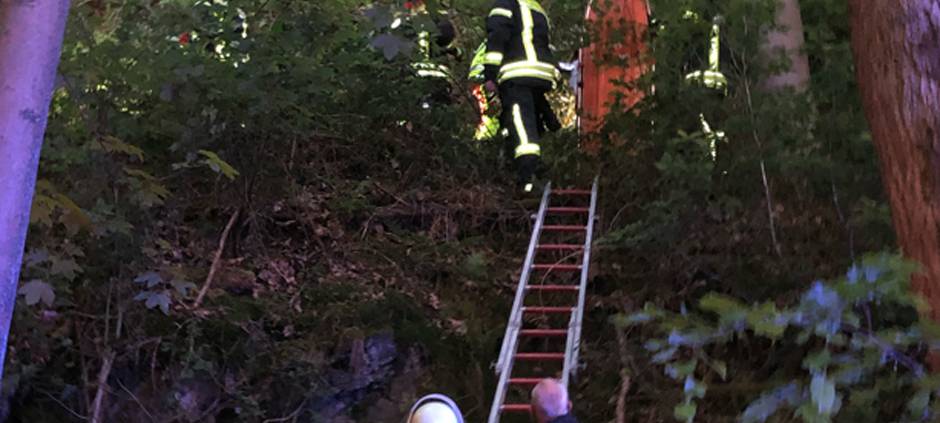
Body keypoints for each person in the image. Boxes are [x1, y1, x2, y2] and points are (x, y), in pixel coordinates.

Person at [483, 0, 561, 191]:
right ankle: (540, 165)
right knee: (533, 119)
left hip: (517, 72)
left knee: (520, 122)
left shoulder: (505, 4)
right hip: (540, 73)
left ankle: (528, 175)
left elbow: (497, 36)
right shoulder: (535, 6)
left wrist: (490, 74)